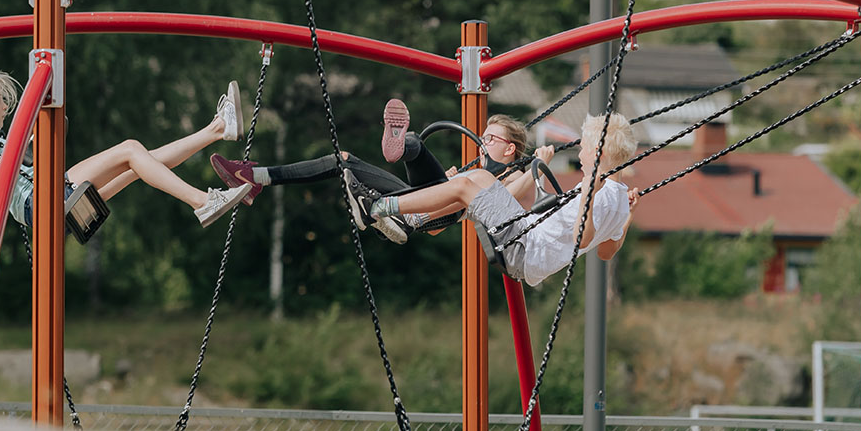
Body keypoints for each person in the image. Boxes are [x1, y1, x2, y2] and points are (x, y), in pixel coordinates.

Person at [348, 112, 641, 286]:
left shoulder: (597, 191)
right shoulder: (616, 198)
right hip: (527, 238)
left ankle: (378, 208)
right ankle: (406, 218)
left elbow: (583, 236)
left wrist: (589, 188)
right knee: (478, 179)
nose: (579, 154)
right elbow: (607, 251)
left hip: (525, 248)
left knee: (465, 186)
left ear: (599, 153)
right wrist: (627, 218)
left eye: (585, 148)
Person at [0, 70, 252, 229]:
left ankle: (218, 130)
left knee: (138, 163)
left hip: (47, 203)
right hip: (43, 204)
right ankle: (201, 201)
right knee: (131, 149)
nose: (4, 106)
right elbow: (0, 184)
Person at [208, 100, 540, 243]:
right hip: (421, 199)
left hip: (422, 215)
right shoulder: (474, 173)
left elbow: (504, 201)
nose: (482, 142)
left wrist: (539, 165)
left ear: (510, 149)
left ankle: (395, 201)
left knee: (458, 183)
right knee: (344, 158)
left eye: (490, 138)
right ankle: (256, 177)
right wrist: (455, 181)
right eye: (482, 136)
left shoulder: (511, 177)